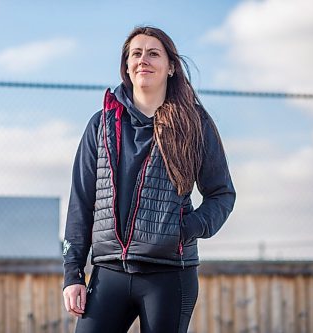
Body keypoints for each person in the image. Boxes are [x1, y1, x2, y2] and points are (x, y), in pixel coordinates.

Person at [62, 26, 236, 333]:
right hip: (108, 273)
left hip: (169, 275)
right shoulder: (101, 125)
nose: (144, 59)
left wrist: (184, 230)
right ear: (127, 66)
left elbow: (222, 194)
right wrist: (73, 274)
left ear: (170, 67)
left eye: (153, 53)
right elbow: (82, 202)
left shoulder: (194, 124)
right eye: (136, 54)